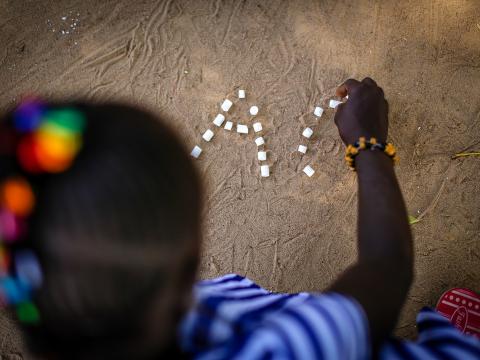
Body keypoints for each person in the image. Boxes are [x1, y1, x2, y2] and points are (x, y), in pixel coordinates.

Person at [0, 79, 478, 360]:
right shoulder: (287, 350)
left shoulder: (123, 312)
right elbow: (387, 268)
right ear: (189, 255)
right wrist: (369, 145)